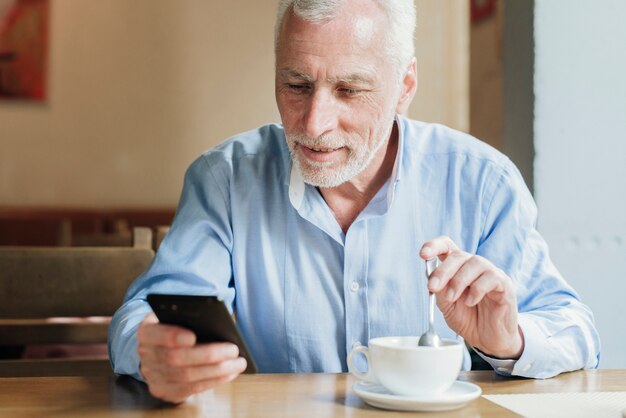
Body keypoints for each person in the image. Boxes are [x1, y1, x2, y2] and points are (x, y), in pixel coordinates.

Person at [109, 0, 601, 404]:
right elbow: (140, 315)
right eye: (296, 85)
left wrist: (509, 341)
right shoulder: (224, 179)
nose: (314, 122)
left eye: (350, 89)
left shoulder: (482, 182)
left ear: (404, 86)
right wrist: (151, 350)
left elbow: (576, 331)